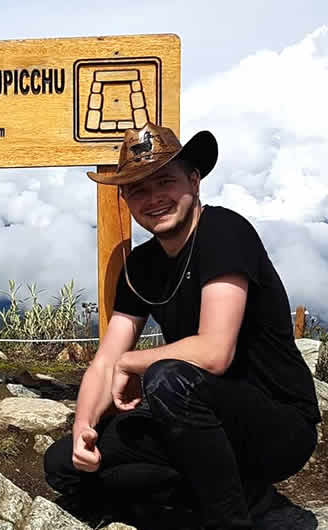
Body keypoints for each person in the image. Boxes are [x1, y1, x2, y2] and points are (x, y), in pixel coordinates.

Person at [44, 123, 319, 529]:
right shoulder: (141, 266)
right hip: (198, 420)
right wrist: (85, 426)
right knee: (64, 465)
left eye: (165, 182)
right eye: (137, 188)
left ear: (194, 181)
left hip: (276, 424)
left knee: (169, 378)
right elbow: (105, 362)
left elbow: (213, 352)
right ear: (125, 198)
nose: (153, 198)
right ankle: (223, 494)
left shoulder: (224, 232)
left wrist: (132, 363)